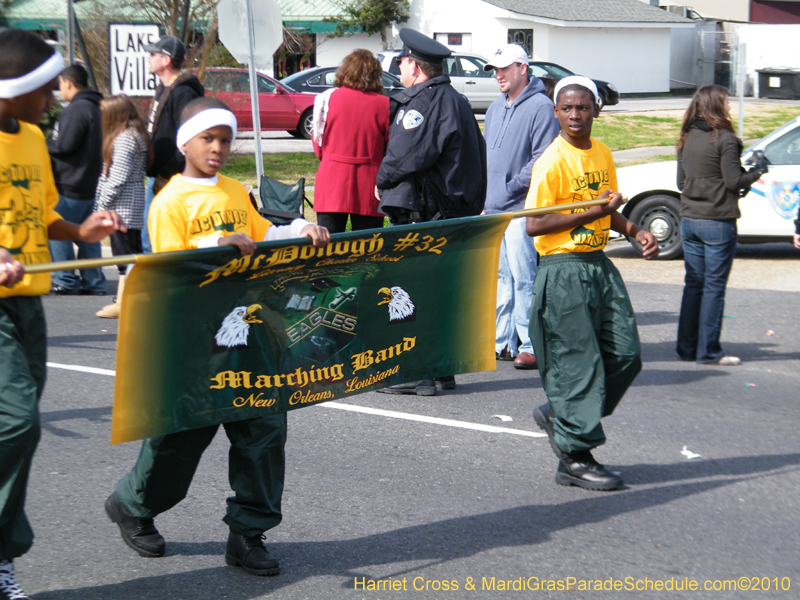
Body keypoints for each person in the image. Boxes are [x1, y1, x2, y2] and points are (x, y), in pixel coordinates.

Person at [105, 97, 330, 577]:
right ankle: (133, 503)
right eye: (209, 138)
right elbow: (172, 270)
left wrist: (300, 227)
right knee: (182, 437)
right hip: (197, 341)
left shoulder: (233, 191)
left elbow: (262, 232)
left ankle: (247, 534)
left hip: (252, 334)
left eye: (226, 140)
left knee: (264, 431)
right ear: (186, 141)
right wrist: (215, 245)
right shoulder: (169, 200)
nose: (218, 148)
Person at [0, 30, 125, 599]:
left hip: (29, 304)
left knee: (19, 433)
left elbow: (41, 213)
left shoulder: (29, 137)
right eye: (45, 90)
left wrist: (80, 231)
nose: (54, 99)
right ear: (12, 89)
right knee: (16, 421)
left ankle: (2, 556)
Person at [525, 76, 659, 491]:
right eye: (566, 108)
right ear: (556, 113)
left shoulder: (601, 152)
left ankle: (561, 413)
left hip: (598, 263)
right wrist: (593, 210)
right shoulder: (552, 161)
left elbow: (606, 207)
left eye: (582, 107)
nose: (575, 115)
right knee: (577, 365)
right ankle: (575, 457)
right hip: (563, 268)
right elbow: (534, 224)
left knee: (625, 354)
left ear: (596, 110)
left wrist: (633, 228)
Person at [375, 28, 487, 396]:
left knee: (411, 291)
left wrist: (381, 179)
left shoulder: (422, 104)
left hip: (428, 215)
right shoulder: (456, 99)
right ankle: (442, 368)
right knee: (440, 293)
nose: (401, 67)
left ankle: (414, 372)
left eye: (404, 61)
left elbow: (406, 155)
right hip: (454, 212)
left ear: (417, 68)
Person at [675, 85, 767, 367]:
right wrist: (758, 170)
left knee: (694, 284)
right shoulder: (725, 139)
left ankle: (687, 347)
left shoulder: (687, 137)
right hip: (717, 222)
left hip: (689, 220)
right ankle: (709, 352)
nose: (729, 108)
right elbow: (733, 181)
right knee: (714, 287)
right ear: (715, 106)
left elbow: (681, 183)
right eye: (726, 103)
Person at [483, 44, 558, 371]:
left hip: (521, 209)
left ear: (522, 68)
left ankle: (529, 344)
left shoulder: (542, 106)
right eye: (495, 70)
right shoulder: (494, 109)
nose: (498, 75)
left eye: (504, 68)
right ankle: (502, 341)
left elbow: (541, 158)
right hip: (493, 208)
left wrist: (510, 187)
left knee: (524, 278)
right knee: (500, 278)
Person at [312, 49, 389, 234]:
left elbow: (318, 146)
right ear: (375, 75)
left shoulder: (326, 99)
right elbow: (389, 148)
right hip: (368, 183)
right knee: (366, 248)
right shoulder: (385, 104)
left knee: (327, 245)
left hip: (331, 180)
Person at [140, 35, 204, 254]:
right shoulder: (165, 88)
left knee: (154, 241)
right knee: (149, 237)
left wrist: (169, 174)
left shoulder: (183, 93)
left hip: (169, 178)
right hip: (157, 175)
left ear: (166, 60)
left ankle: (156, 286)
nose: (148, 58)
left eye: (153, 54)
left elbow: (190, 139)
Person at [46, 64, 106, 295]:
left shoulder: (76, 109)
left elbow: (65, 145)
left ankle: (66, 280)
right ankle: (94, 282)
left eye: (61, 84)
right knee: (88, 235)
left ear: (68, 83)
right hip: (90, 182)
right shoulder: (97, 107)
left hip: (69, 183)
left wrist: (43, 143)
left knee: (58, 230)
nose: (60, 89)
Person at [94, 95, 153, 319]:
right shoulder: (133, 135)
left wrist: (102, 206)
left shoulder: (124, 139)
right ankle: (124, 301)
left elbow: (117, 178)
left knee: (125, 255)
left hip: (123, 207)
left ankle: (125, 303)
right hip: (129, 203)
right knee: (126, 254)